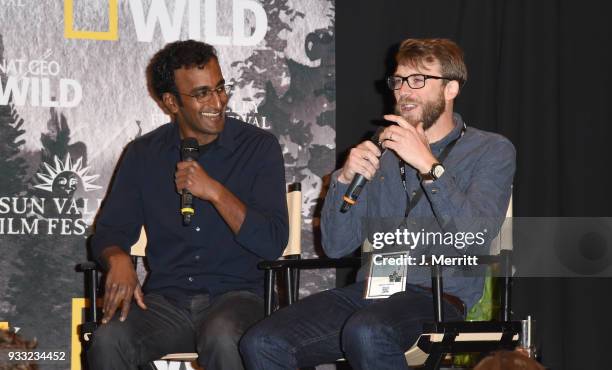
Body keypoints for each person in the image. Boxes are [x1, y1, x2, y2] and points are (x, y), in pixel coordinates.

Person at [240, 38, 516, 370]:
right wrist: (344, 180)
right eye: (399, 81)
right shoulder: (379, 152)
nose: (404, 91)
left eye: (418, 80)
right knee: (262, 341)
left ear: (451, 89)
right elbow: (337, 245)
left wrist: (429, 166)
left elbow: (475, 234)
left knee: (367, 330)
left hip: (439, 296)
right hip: (372, 291)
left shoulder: (490, 150)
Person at [87, 40, 288, 370]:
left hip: (238, 298)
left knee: (223, 337)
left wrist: (216, 192)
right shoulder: (143, 155)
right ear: (171, 102)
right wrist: (118, 257)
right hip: (167, 303)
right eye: (202, 94)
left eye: (220, 88)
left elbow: (272, 242)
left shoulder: (258, 148)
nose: (218, 101)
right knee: (108, 341)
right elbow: (110, 230)